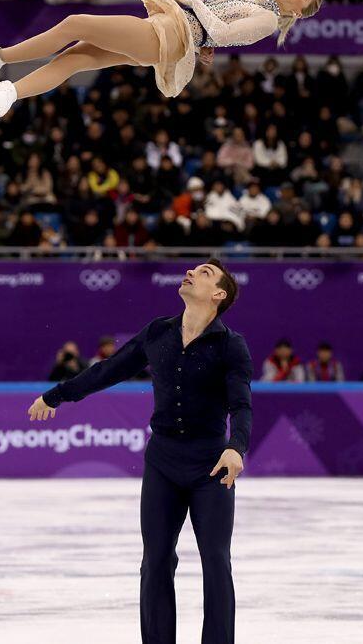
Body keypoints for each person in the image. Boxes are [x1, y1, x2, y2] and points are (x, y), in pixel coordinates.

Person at [26, 259, 250, 644]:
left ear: (219, 295)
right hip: (162, 461)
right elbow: (108, 370)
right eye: (193, 269)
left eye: (206, 273)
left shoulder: (230, 345)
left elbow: (241, 404)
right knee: (156, 561)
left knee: (216, 561)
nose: (192, 272)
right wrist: (57, 394)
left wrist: (236, 448)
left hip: (210, 465)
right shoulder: (158, 332)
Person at [0, 0, 323, 130]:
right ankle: (4, 96)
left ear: (298, 12)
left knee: (75, 23)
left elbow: (220, 29)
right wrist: (206, 42)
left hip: (172, 34)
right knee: (76, 59)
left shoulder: (268, 22)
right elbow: (218, 35)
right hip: (174, 33)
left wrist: (192, 2)